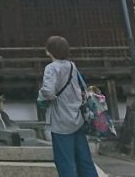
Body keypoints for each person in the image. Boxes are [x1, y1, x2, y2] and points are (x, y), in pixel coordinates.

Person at [37, 36, 98, 177]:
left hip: (61, 119)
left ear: (49, 51)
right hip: (77, 116)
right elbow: (82, 86)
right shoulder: (72, 66)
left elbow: (48, 92)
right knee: (84, 159)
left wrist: (40, 95)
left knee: (65, 161)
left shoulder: (51, 68)